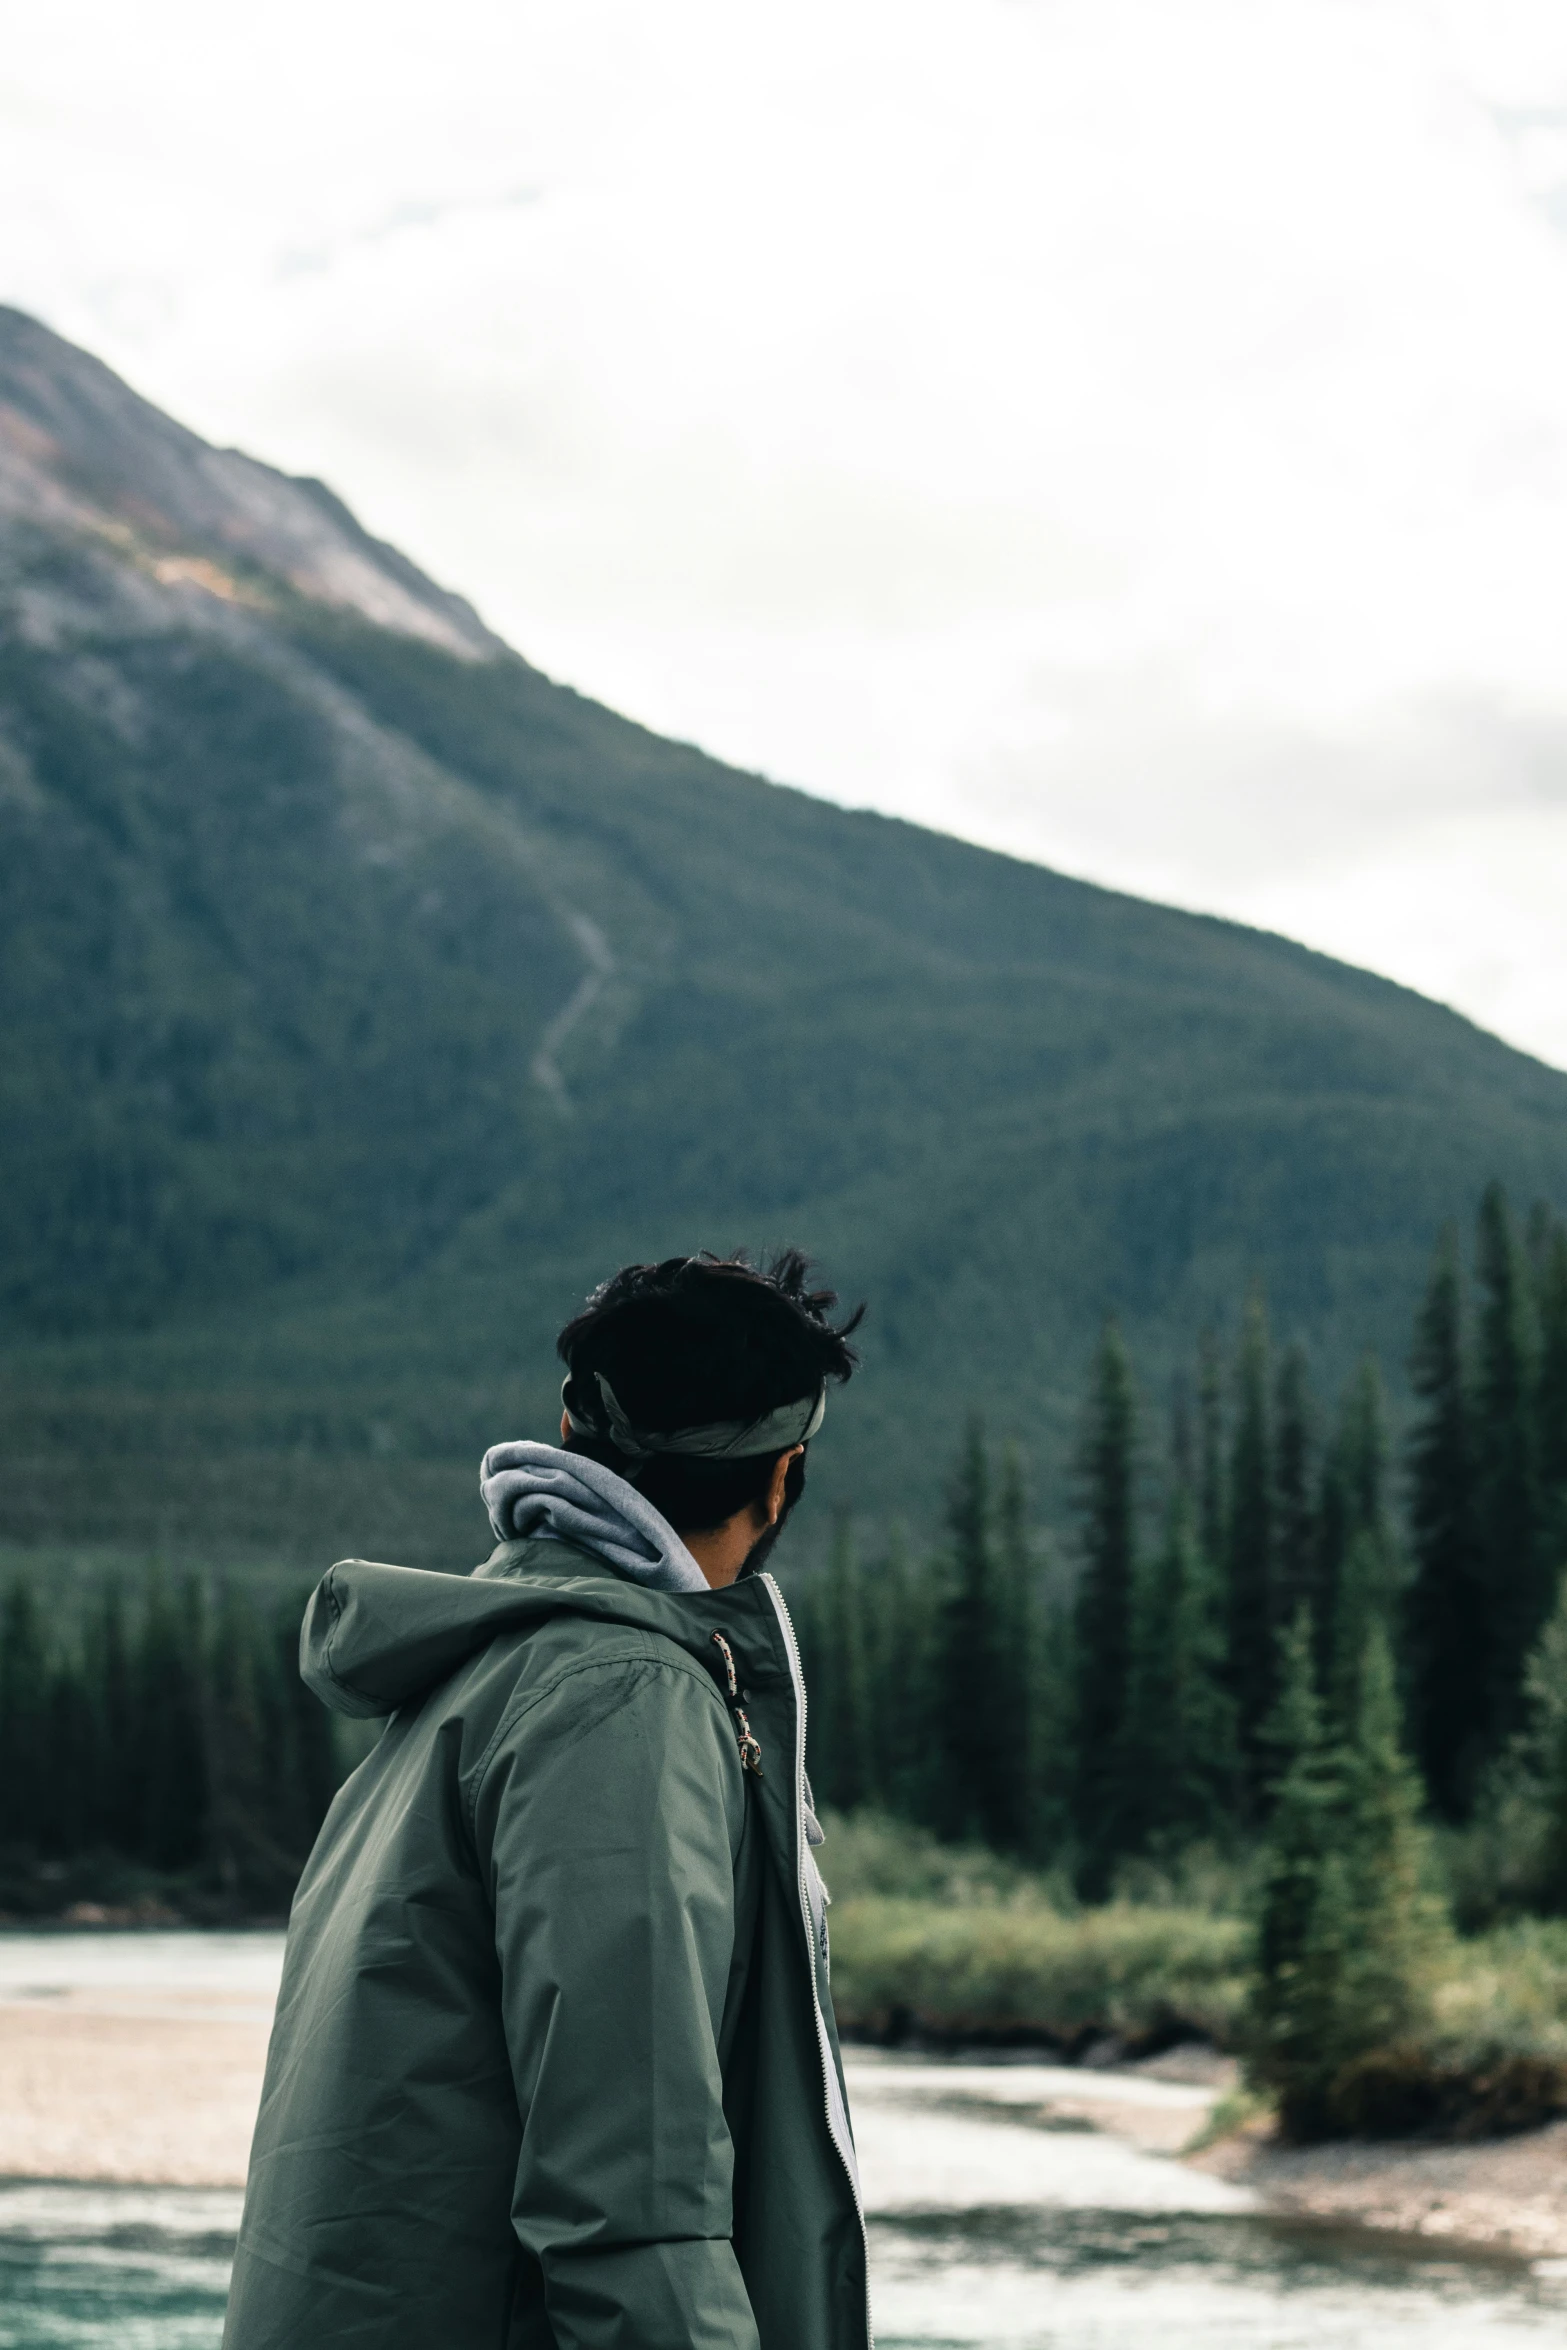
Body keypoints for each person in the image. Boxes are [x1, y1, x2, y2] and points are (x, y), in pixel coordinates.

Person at [223, 1249, 870, 2350]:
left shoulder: (472, 1674)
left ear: (570, 1436)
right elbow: (633, 2204)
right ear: (783, 1478)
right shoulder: (620, 1698)